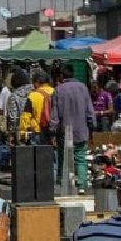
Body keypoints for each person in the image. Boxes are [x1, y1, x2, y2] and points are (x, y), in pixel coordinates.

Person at [50, 65, 95, 194]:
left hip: (65, 132)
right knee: (80, 157)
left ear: (62, 76)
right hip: (81, 130)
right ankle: (81, 185)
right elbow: (90, 111)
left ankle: (64, 184)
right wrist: (92, 127)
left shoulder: (58, 90)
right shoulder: (83, 88)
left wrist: (52, 132)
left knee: (64, 158)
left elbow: (55, 115)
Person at [23, 70, 54, 145]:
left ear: (37, 82)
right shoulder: (55, 91)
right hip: (53, 130)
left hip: (37, 131)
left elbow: (26, 116)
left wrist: (23, 133)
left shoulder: (32, 95)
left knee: (38, 155)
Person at [5, 69, 32, 144]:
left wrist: (11, 132)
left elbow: (13, 117)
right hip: (38, 128)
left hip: (22, 132)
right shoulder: (36, 91)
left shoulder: (14, 96)